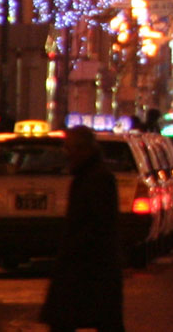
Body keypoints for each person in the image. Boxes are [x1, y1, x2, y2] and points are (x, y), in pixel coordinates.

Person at [39, 126, 124, 332]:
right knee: (99, 319)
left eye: (70, 149)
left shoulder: (96, 178)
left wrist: (73, 249)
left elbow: (98, 223)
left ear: (83, 149)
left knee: (71, 318)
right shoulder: (89, 175)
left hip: (88, 265)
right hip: (87, 264)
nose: (67, 155)